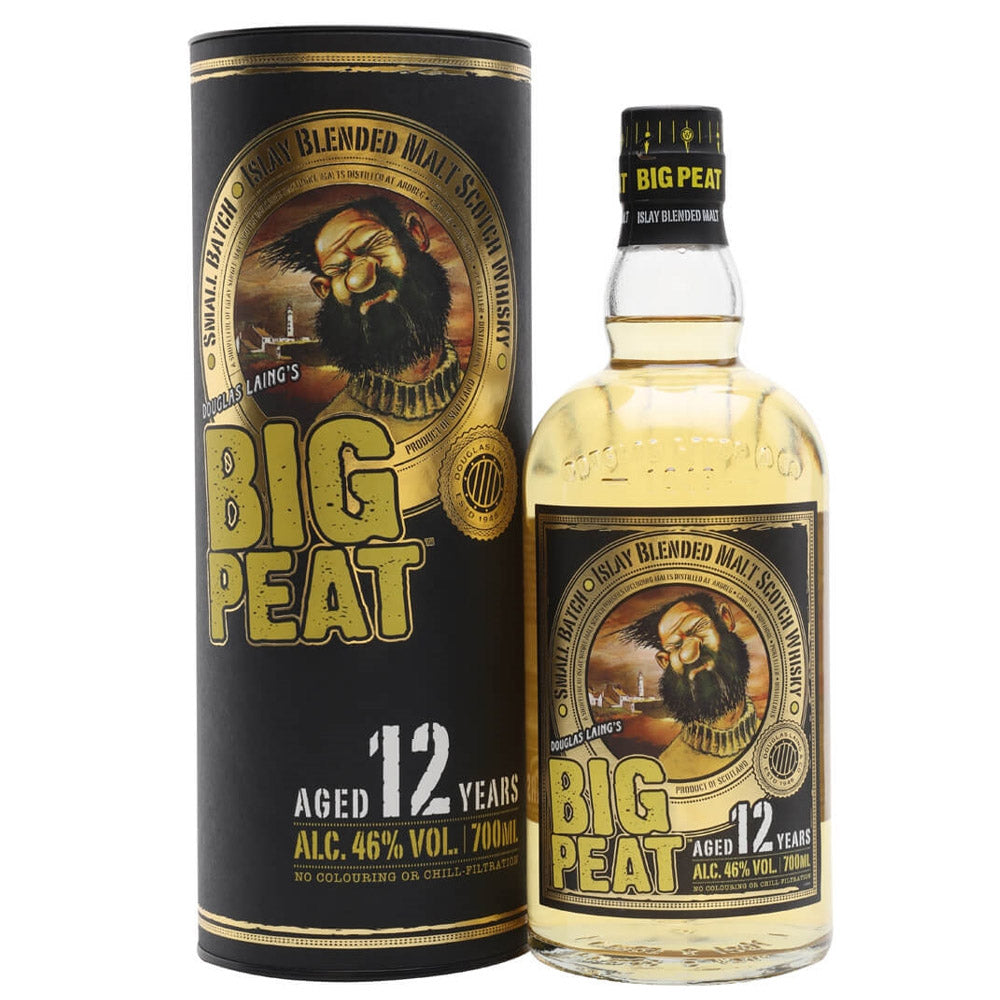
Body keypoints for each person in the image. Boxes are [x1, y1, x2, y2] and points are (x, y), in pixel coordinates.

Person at [260, 196, 460, 430]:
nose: (359, 279)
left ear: (415, 234)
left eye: (373, 246)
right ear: (324, 289)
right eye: (340, 269)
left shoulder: (483, 393)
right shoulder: (332, 429)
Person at [618, 592, 759, 780]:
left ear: (725, 620)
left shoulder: (773, 741)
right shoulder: (668, 769)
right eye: (676, 646)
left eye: (698, 628)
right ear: (665, 661)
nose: (690, 654)